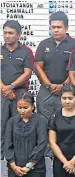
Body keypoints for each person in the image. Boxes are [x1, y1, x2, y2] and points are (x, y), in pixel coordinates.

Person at [35, 11, 75, 122]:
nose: (55, 30)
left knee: (66, 121)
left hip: (67, 90)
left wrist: (63, 85)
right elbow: (37, 67)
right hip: (46, 90)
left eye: (59, 27)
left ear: (66, 28)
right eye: (53, 27)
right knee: (43, 122)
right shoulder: (44, 44)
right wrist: (49, 85)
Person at [1, 20, 34, 158]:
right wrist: (4, 88)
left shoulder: (26, 51)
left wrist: (11, 87)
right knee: (1, 127)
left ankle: (18, 158)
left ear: (18, 35)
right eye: (5, 33)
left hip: (20, 93)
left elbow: (27, 73)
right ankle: (1, 158)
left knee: (19, 127)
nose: (7, 36)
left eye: (10, 33)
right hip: (1, 92)